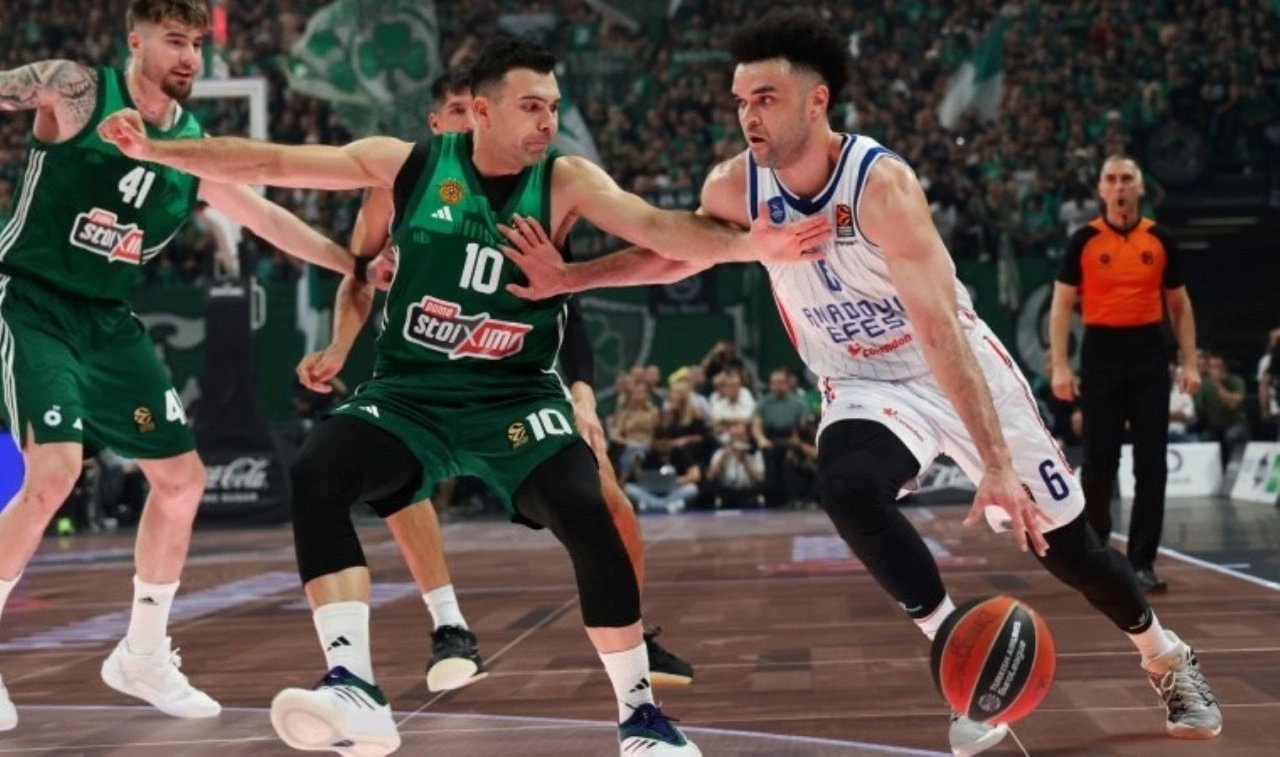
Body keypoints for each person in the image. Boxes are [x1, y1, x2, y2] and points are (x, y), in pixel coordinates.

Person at [495, 10, 1222, 754]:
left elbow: (939, 331)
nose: (749, 115)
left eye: (766, 98)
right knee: (845, 486)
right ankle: (959, 657)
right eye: (741, 100)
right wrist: (568, 278)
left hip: (951, 365)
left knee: (1068, 550)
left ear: (817, 101)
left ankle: (1165, 655)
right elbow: (678, 255)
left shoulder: (883, 188)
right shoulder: (735, 186)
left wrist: (998, 462)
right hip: (859, 380)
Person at [101, 34, 828, 755]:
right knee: (320, 466)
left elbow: (661, 230)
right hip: (410, 398)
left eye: (553, 106)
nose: (547, 122)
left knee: (586, 505)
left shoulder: (566, 180)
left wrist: (751, 247)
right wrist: (158, 150)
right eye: (531, 107)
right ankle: (353, 684)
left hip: (515, 397)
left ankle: (641, 717)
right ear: (480, 111)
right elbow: (274, 162)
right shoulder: (410, 166)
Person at [0, 0, 379, 732]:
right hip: (31, 301)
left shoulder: (192, 147)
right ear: (134, 41)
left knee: (182, 481)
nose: (189, 58)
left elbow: (264, 216)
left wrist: (353, 264)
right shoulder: (79, 89)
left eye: (197, 45)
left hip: (108, 319)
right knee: (53, 472)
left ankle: (142, 655)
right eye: (174, 40)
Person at [296, 67, 693, 693]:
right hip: (422, 378)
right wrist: (341, 344)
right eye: (456, 113)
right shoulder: (401, 181)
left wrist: (582, 393)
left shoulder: (533, 184)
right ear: (440, 123)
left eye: (474, 110)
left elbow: (566, 300)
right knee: (392, 486)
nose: (468, 124)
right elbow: (356, 272)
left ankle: (632, 639)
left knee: (604, 500)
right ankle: (447, 624)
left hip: (512, 378)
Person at [1049, 155, 1200, 594]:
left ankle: (1142, 562)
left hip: (1148, 354)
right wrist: (1060, 365)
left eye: (1126, 179)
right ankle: (1097, 559)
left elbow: (1179, 305)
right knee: (1099, 461)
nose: (1119, 187)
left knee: (1152, 462)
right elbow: (1061, 305)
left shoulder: (1160, 238)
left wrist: (1190, 361)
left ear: (1139, 187)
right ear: (1101, 189)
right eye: (1111, 180)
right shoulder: (1084, 240)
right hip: (1100, 354)